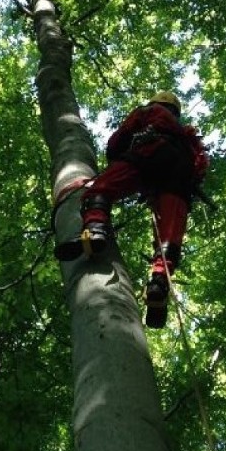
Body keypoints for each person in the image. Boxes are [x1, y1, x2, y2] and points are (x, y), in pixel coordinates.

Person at [55, 91, 208, 327]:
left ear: (157, 102)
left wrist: (119, 159)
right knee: (168, 237)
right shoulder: (187, 138)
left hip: (149, 154)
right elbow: (200, 168)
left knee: (99, 191)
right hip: (180, 177)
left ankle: (95, 228)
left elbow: (117, 142)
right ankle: (159, 281)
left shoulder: (148, 112)